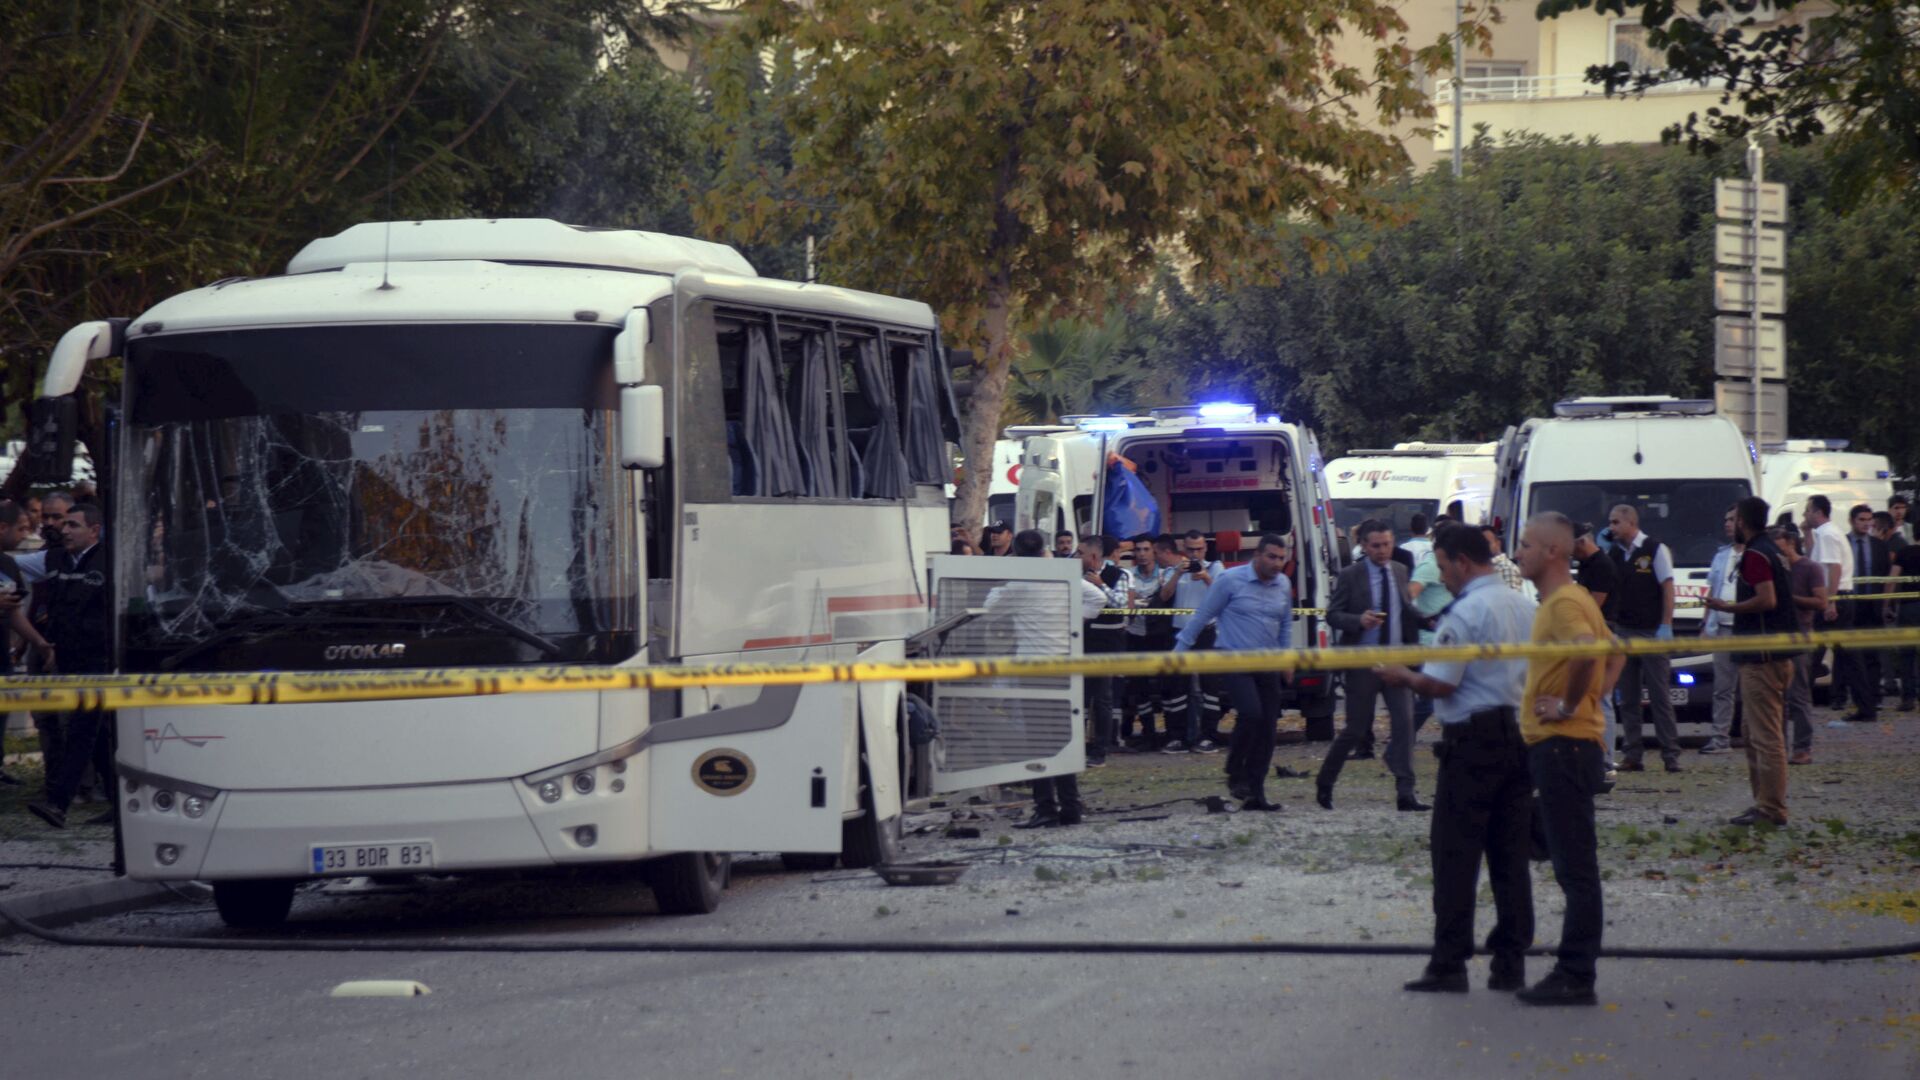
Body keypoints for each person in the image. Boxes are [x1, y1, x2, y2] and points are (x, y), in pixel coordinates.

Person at [1376, 523, 1536, 995]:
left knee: (1455, 855)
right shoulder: (1525, 607)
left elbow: (1442, 683)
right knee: (1510, 855)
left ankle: (1449, 963)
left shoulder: (1465, 614)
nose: (1441, 577)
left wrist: (1402, 676)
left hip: (1473, 741)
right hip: (1518, 736)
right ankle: (1510, 962)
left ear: (1462, 563)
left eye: (1443, 567)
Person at [1512, 512, 1608, 1006]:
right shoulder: (1570, 601)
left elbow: (1590, 652)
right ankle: (1575, 969)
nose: (1518, 553)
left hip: (1565, 746)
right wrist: (1592, 703)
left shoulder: (1565, 603)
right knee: (1567, 856)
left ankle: (1576, 974)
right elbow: (1615, 655)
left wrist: (1571, 706)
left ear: (1552, 551)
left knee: (1575, 867)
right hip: (1568, 744)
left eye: (1526, 544)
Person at [1174, 533, 1294, 812]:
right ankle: (1235, 770)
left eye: (1281, 558)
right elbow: (1203, 615)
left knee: (1267, 729)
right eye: (1272, 557)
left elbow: (1286, 624)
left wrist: (1287, 657)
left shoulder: (1283, 584)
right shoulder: (1230, 580)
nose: (1277, 563)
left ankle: (1256, 792)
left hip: (1268, 662)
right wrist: (1180, 651)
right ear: (1258, 556)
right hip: (1234, 657)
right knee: (1251, 713)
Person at [1317, 519, 1426, 812]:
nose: (1382, 550)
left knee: (1405, 724)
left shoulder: (1400, 571)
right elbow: (1333, 614)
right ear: (1364, 546)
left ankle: (1406, 792)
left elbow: (1404, 607)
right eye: (1376, 545)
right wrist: (1358, 620)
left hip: (1395, 659)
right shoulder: (1351, 575)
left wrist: (1425, 618)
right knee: (1356, 728)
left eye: (1387, 544)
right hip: (1362, 660)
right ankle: (1325, 781)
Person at [1703, 497, 1798, 827]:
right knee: (1753, 732)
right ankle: (1763, 803)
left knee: (1766, 736)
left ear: (1743, 521)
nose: (1731, 525)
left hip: (1763, 657)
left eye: (1734, 519)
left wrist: (1726, 608)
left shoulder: (1757, 553)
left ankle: (1772, 809)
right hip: (1766, 655)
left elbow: (1767, 599)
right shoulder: (1770, 551)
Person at [989, 529, 1088, 829]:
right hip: (1063, 665)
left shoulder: (1019, 584)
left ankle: (1046, 808)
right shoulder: (1062, 576)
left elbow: (991, 606)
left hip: (1033, 672)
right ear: (1045, 549)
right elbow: (1097, 597)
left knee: (1037, 742)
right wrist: (1071, 619)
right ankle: (1070, 807)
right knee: (1062, 740)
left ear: (1016, 552)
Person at [26, 504, 113, 829]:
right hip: (69, 661)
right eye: (64, 525)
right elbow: (13, 564)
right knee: (98, 735)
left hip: (99, 661)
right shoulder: (54, 559)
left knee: (80, 730)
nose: (64, 530)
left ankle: (58, 804)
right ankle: (119, 806)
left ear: (94, 530)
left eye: (73, 525)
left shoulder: (111, 561)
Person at [1607, 504, 1682, 773]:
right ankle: (1633, 754)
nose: (1612, 528)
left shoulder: (1654, 549)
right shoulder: (1615, 553)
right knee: (1627, 698)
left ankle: (1670, 755)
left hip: (1651, 631)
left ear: (1630, 523)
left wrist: (1666, 624)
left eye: (1615, 523)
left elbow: (1668, 588)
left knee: (1660, 696)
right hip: (1625, 631)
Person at [0, 502, 57, 786]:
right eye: (22, 528)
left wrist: (38, 642)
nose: (27, 534)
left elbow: (14, 613)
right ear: (3, 527)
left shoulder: (9, 564)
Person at [1166, 529, 1223, 754]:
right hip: (1181, 632)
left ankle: (1208, 736)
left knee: (1210, 687)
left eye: (1199, 549)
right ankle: (1176, 737)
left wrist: (1206, 577)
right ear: (1183, 549)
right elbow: (1164, 596)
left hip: (1207, 632)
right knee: (1177, 688)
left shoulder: (1215, 568)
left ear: (1205, 548)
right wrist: (1177, 574)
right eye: (1190, 549)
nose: (1194, 554)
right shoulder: (1174, 569)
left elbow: (1223, 595)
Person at [1771, 526, 1826, 762]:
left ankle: (1802, 748)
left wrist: (1791, 599)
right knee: (1778, 698)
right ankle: (1779, 748)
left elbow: (1821, 601)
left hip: (1801, 637)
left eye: (1777, 542)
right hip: (1777, 638)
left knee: (1798, 695)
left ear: (1789, 542)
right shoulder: (1776, 568)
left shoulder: (1810, 568)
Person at [1572, 521, 1623, 773]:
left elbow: (1593, 607)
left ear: (1581, 542)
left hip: (1601, 633)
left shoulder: (1602, 566)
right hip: (1589, 635)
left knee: (1602, 699)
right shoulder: (1586, 564)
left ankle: (1605, 757)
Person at [1834, 503, 1891, 722]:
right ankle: (1842, 696)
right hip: (1849, 604)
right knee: (1845, 654)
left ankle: (1873, 697)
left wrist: (1886, 605)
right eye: (1862, 520)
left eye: (1869, 520)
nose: (1867, 524)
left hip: (1872, 605)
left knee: (1872, 654)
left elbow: (1885, 575)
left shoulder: (1878, 545)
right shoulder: (1844, 543)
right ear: (1851, 521)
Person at [1079, 535, 1130, 766]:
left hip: (1108, 642)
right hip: (1084, 640)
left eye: (1080, 553)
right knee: (1081, 697)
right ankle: (1077, 748)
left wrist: (1102, 586)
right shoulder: (1076, 575)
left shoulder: (1119, 574)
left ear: (1093, 556)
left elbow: (1121, 604)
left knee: (1102, 698)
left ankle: (1100, 750)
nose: (1076, 557)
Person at [1800, 495, 1852, 711]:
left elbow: (1834, 569)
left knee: (1821, 650)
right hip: (1833, 595)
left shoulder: (1829, 534)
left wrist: (1830, 602)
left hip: (1835, 595)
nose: (1805, 514)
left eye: (1808, 510)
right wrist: (1806, 533)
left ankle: (1808, 698)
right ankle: (1833, 697)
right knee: (1829, 650)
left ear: (1818, 512)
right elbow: (1813, 559)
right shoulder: (1822, 534)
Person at [1697, 507, 1742, 756]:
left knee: (1756, 688)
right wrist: (1705, 625)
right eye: (1725, 519)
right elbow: (1711, 594)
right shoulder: (1721, 556)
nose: (1726, 524)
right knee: (1723, 688)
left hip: (1749, 630)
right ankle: (1720, 738)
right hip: (1723, 628)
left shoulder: (1756, 555)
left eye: (1732, 519)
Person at [1891, 525, 1920, 713]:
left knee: (1907, 654)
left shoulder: (1904, 552)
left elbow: (1891, 579)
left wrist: (1886, 604)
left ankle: (1908, 698)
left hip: (1909, 606)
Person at [1482, 525, 1535, 599]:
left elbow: (1511, 602)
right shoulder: (1487, 567)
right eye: (1480, 544)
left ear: (1498, 543)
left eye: (1487, 543)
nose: (1483, 547)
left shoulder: (1506, 568)